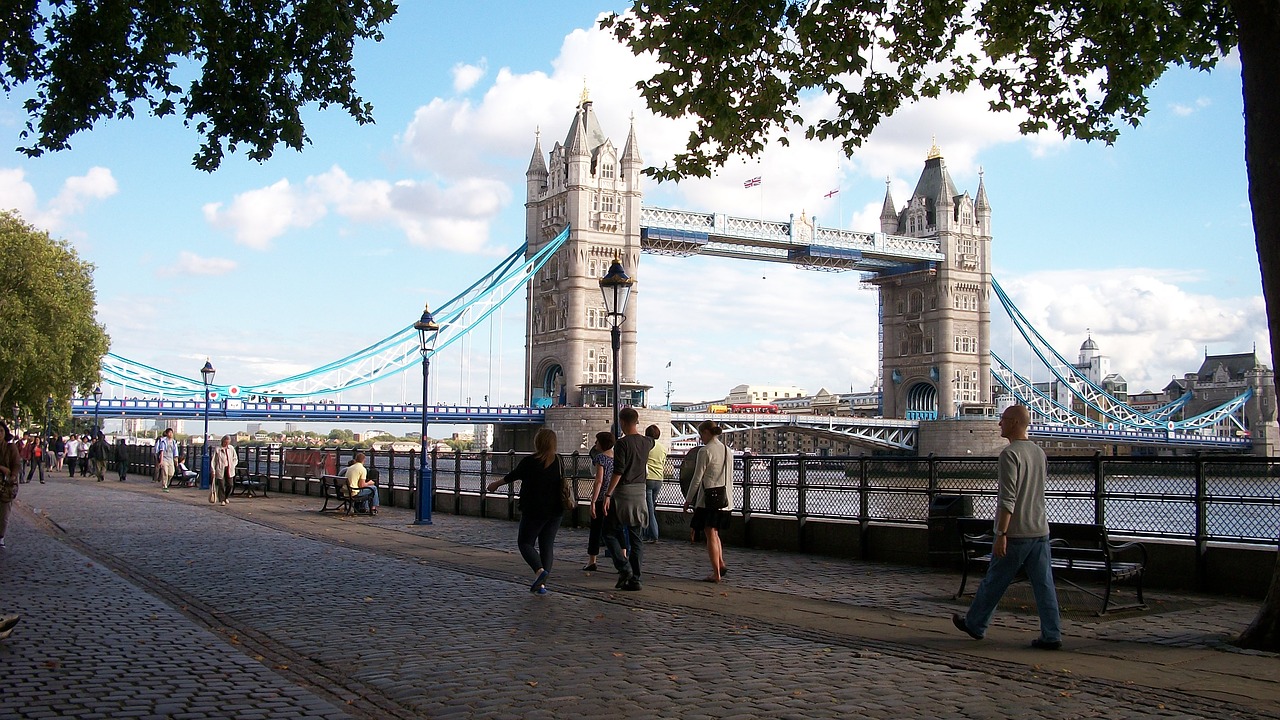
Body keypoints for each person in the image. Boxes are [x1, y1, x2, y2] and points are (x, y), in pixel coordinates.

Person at [951, 404, 1062, 650]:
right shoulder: (1039, 453)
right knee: (1044, 586)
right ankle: (1052, 634)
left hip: (1016, 533)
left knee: (995, 580)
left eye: (1002, 419)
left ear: (1013, 422)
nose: (999, 423)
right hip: (1040, 530)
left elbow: (1007, 499)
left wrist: (1000, 533)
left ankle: (976, 624)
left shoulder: (1009, 454)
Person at [487, 428, 565, 594]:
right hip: (556, 510)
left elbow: (513, 476)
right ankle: (542, 585)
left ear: (538, 442)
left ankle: (539, 571)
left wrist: (495, 484)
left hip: (534, 509)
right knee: (547, 546)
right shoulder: (559, 461)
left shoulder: (530, 461)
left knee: (525, 543)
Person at [602, 407, 655, 591]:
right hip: (640, 493)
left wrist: (608, 494)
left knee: (608, 531)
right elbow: (652, 439)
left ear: (623, 422)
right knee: (636, 537)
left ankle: (624, 567)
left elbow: (619, 471)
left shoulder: (622, 444)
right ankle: (636, 579)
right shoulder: (648, 442)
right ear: (637, 421)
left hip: (623, 494)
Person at [683, 420, 733, 582]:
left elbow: (697, 478)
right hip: (726, 500)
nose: (701, 438)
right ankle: (721, 563)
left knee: (709, 533)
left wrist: (688, 500)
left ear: (706, 432)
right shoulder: (727, 450)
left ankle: (716, 573)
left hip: (709, 500)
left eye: (701, 435)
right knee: (715, 532)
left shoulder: (705, 451)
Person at [582, 432, 615, 572]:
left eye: (596, 442)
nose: (595, 445)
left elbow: (599, 481)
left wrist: (593, 500)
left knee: (596, 529)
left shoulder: (600, 458)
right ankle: (623, 557)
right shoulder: (618, 457)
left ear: (601, 443)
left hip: (602, 497)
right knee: (616, 529)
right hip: (614, 497)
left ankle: (592, 561)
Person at [642, 424, 667, 543]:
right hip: (659, 479)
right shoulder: (662, 448)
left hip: (647, 478)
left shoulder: (647, 446)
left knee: (649, 508)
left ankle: (654, 534)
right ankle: (647, 534)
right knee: (651, 506)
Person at [0, 421, 20, 549]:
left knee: (3, 513)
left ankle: (1, 536)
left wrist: (12, 477)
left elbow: (16, 464)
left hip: (6, 485)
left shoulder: (10, 447)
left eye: (1, 431)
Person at [210, 436, 238, 505]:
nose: (226, 444)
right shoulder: (218, 449)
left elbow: (235, 458)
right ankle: (222, 499)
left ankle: (226, 497)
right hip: (220, 468)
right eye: (225, 442)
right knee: (221, 485)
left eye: (228, 443)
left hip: (229, 468)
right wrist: (213, 470)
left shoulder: (231, 448)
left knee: (230, 484)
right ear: (223, 441)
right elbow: (213, 460)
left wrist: (233, 465)